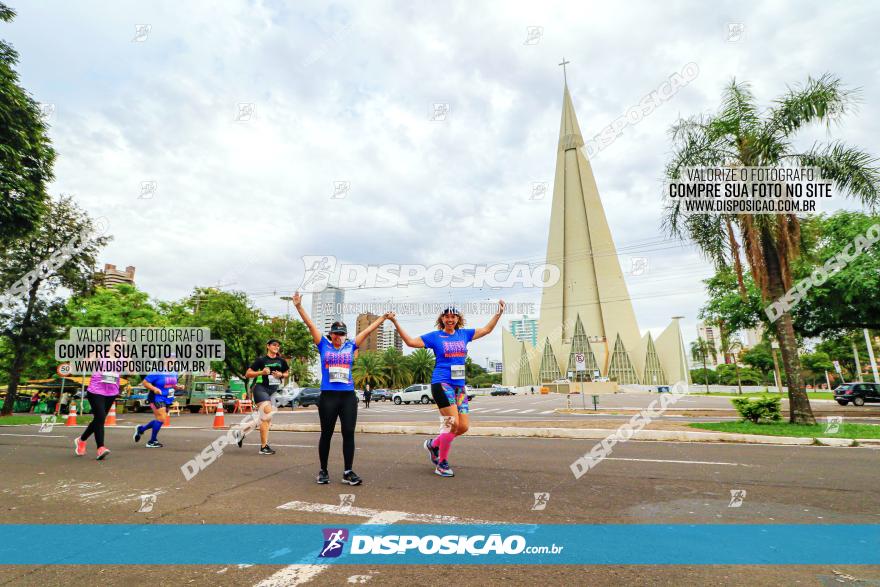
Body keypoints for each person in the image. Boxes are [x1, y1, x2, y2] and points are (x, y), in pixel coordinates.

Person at [389, 301, 504, 477]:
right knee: (452, 423)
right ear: (442, 319)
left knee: (463, 426)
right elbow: (411, 342)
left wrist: (498, 313)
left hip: (459, 387)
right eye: (447, 316)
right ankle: (441, 463)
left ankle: (433, 445)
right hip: (441, 384)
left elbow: (486, 330)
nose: (450, 319)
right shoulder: (435, 337)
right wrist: (395, 322)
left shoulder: (464, 334)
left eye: (453, 316)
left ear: (458, 318)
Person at [293, 291, 385, 485]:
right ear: (331, 334)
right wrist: (299, 307)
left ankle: (348, 471)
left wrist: (384, 318)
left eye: (342, 334)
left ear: (345, 336)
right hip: (328, 396)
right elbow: (310, 325)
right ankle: (323, 470)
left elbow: (367, 332)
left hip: (347, 397)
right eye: (336, 333)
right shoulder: (323, 344)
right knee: (326, 433)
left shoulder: (351, 346)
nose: (338, 337)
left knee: (348, 433)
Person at [240, 339, 289, 455]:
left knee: (264, 418)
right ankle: (263, 447)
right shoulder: (261, 360)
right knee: (267, 415)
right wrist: (261, 372)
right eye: (274, 345)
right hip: (261, 389)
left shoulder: (281, 361)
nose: (276, 347)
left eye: (278, 346)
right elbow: (247, 374)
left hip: (273, 391)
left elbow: (287, 373)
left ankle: (242, 431)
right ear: (268, 346)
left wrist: (281, 374)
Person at [75, 366, 121, 460]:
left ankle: (81, 440)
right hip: (96, 390)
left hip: (112, 392)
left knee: (99, 419)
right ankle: (101, 448)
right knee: (100, 417)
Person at [135, 361, 184, 448]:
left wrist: (177, 387)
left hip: (168, 398)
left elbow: (172, 384)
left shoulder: (174, 372)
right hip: (156, 397)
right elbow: (145, 382)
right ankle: (152, 441)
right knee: (161, 417)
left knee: (161, 418)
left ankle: (141, 429)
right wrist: (154, 389)